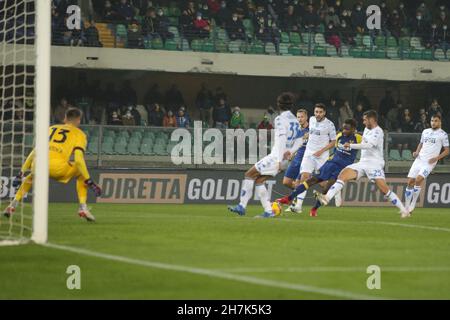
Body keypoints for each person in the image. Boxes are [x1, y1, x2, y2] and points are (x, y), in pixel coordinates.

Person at [4, 108, 101, 221]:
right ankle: (83, 208)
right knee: (80, 173)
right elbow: (79, 160)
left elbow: (34, 152)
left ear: (65, 118)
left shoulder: (50, 128)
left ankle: (13, 204)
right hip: (57, 168)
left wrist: (21, 173)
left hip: (38, 165)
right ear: (79, 120)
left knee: (31, 176)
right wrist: (89, 181)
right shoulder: (80, 134)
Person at [315, 110, 409, 217]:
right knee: (343, 174)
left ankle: (403, 210)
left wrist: (351, 146)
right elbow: (363, 144)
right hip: (363, 162)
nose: (363, 122)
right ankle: (327, 198)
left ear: (371, 119)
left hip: (374, 164)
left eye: (365, 120)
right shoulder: (366, 129)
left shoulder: (378, 131)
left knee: (384, 190)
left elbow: (369, 145)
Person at [228, 92, 306, 218]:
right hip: (284, 159)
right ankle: (268, 211)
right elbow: (300, 140)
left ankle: (241, 206)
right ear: (291, 105)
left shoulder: (280, 119)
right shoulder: (295, 121)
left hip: (276, 158)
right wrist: (290, 152)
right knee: (259, 181)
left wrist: (279, 160)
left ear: (279, 105)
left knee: (249, 174)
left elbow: (281, 139)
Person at [277, 119, 362, 217]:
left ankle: (314, 209)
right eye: (343, 128)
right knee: (311, 180)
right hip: (330, 164)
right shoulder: (339, 136)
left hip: (342, 169)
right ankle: (288, 199)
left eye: (347, 129)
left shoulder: (358, 138)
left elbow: (369, 144)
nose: (344, 131)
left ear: (353, 129)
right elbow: (335, 150)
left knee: (326, 190)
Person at [292, 103, 337, 213]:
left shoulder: (330, 125)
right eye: (316, 111)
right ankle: (298, 206)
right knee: (304, 177)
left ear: (324, 113)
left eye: (320, 112)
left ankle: (335, 191)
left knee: (323, 183)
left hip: (322, 156)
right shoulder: (311, 119)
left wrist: (321, 151)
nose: (317, 114)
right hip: (309, 154)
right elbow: (310, 133)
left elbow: (334, 142)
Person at [404, 114, 449, 214]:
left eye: (436, 121)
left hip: (429, 162)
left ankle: (412, 205)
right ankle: (406, 206)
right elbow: (421, 143)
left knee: (419, 179)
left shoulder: (443, 134)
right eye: (432, 121)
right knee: (410, 182)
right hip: (419, 159)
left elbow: (447, 151)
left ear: (440, 122)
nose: (433, 122)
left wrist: (436, 158)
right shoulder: (425, 131)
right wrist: (416, 152)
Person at [282, 109, 309, 212]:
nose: (300, 119)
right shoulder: (296, 130)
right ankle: (298, 193)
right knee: (286, 182)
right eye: (298, 117)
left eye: (302, 117)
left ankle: (296, 204)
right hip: (297, 158)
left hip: (306, 159)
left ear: (306, 117)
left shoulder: (312, 129)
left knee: (299, 182)